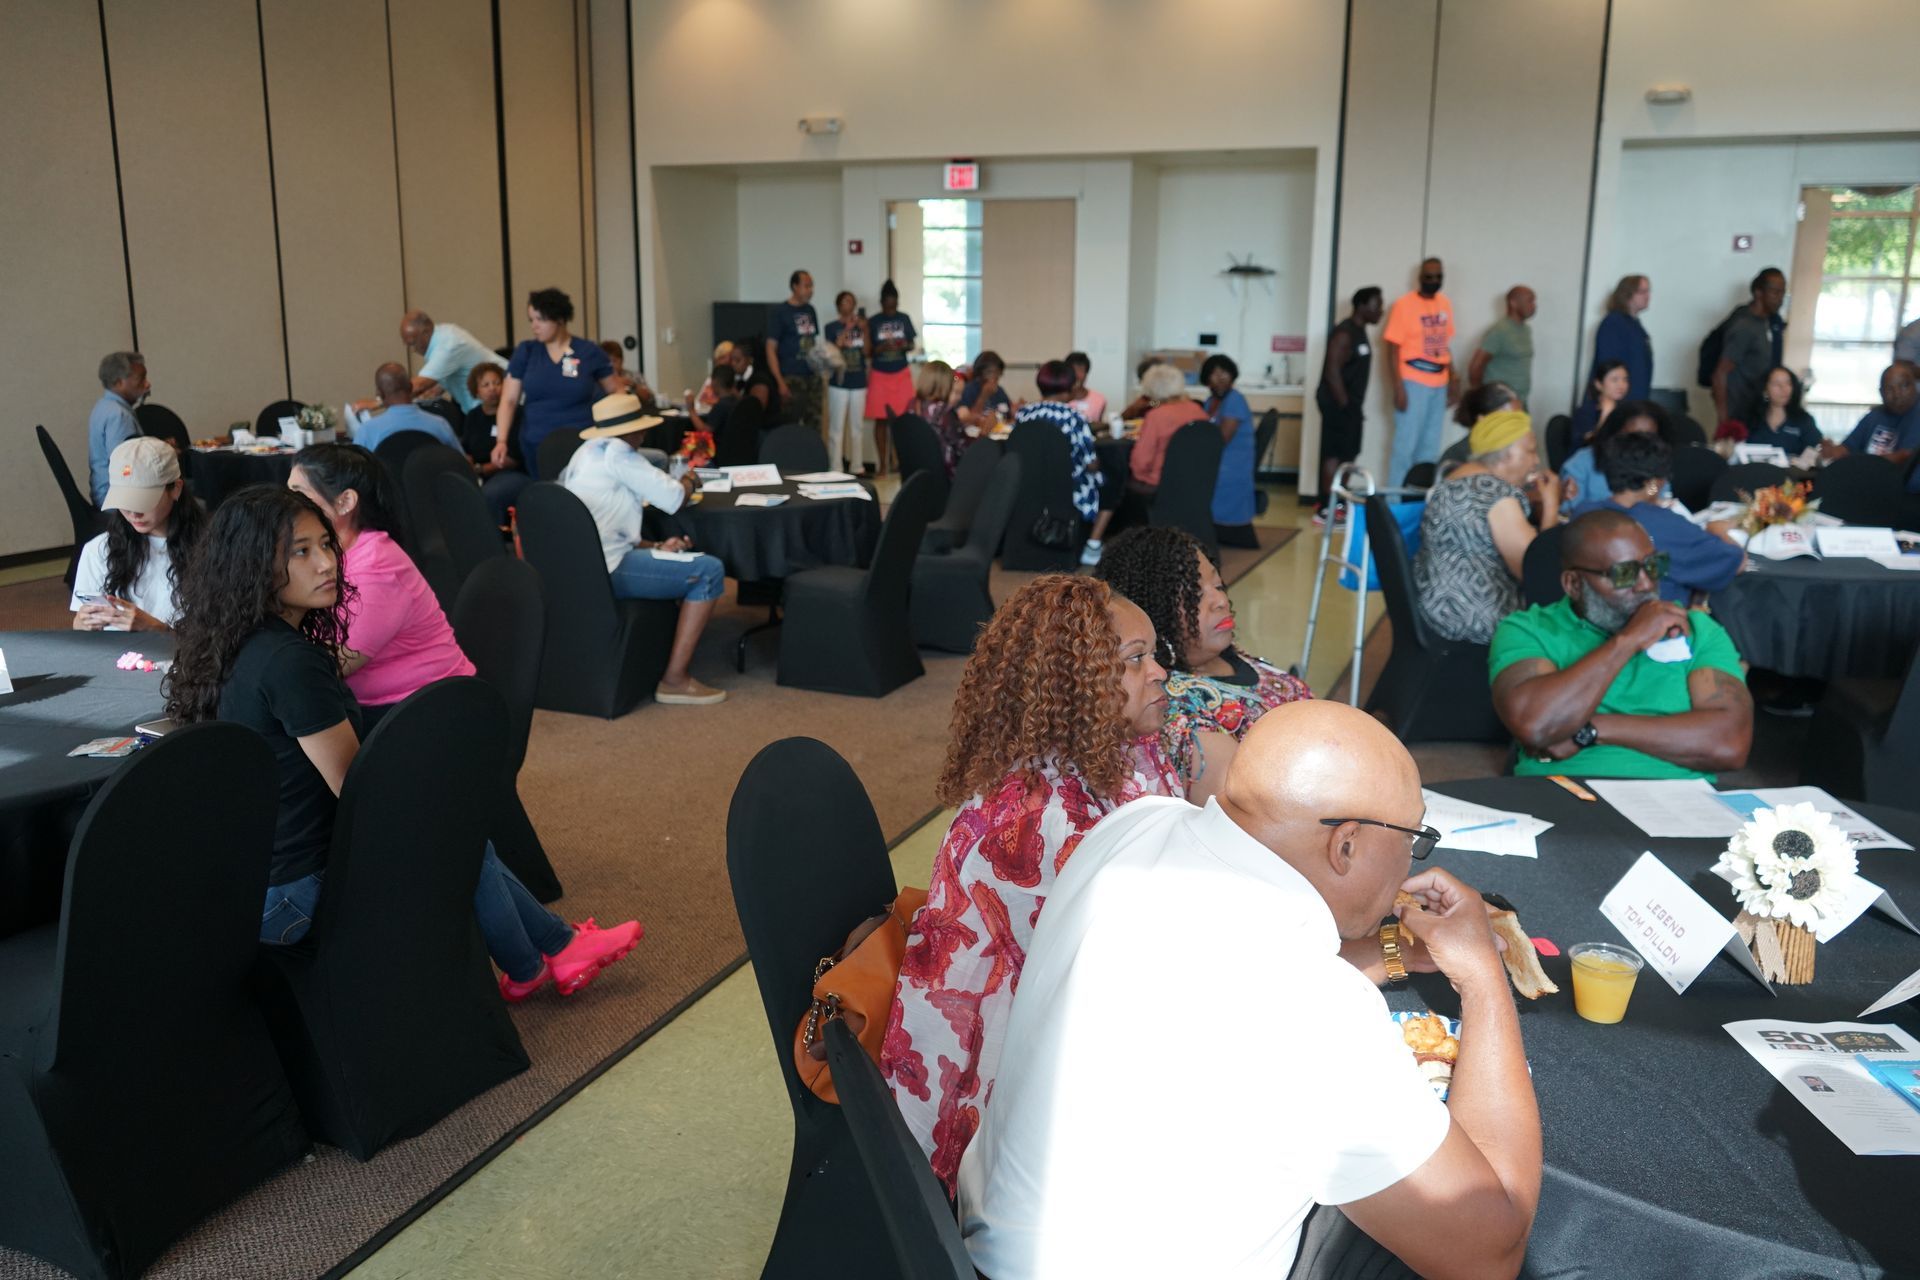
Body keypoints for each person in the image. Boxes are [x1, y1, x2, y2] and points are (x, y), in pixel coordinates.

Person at [958, 701, 1541, 1280]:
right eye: (1414, 838)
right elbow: (1487, 1254)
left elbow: (1232, 966)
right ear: (1346, 845)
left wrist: (1400, 952)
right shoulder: (1317, 1011)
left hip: (991, 1244)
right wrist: (1482, 976)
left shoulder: (1135, 824)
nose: (1411, 859)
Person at [163, 486, 643, 997]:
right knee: (448, 823)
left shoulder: (231, 641)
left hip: (257, 878)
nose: (327, 563)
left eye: (327, 544)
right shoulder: (289, 662)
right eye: (301, 551)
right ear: (253, 563)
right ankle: (539, 960)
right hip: (294, 897)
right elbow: (359, 792)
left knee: (442, 811)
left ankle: (545, 956)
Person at [882, 575, 1179, 1192]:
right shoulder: (1042, 819)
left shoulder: (1123, 755)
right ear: (1075, 686)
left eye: (1156, 654)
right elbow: (1133, 982)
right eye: (1134, 660)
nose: (1160, 674)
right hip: (992, 1095)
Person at [1491, 509, 1753, 780]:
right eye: (1624, 574)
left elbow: (1729, 744)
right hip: (1561, 792)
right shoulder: (1529, 630)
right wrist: (1628, 641)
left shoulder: (1697, 630)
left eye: (1654, 566)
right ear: (1573, 583)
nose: (1645, 584)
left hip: (1676, 802)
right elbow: (1537, 726)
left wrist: (1593, 731)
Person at [1094, 525, 1311, 802]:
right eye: (1195, 595)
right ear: (1154, 607)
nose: (1220, 600)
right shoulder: (1175, 709)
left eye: (1218, 585)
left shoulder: (1229, 655)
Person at [287, 445, 477, 725]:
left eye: (298, 493)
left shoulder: (378, 568)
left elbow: (334, 665)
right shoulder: (335, 552)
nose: (286, 504)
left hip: (425, 710)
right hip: (378, 704)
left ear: (345, 502)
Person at [559, 406, 727, 706]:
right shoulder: (622, 456)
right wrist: (691, 479)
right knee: (708, 571)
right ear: (634, 431)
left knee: (678, 557)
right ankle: (675, 679)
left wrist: (655, 546)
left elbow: (604, 527)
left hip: (582, 563)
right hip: (611, 568)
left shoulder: (587, 452)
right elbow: (675, 498)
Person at [1413, 410, 1561, 644]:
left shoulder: (1451, 480)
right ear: (1505, 455)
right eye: (1530, 450)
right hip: (1478, 617)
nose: (1536, 460)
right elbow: (1536, 574)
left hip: (1434, 606)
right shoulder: (1498, 499)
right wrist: (1552, 505)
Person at [1575, 433, 1745, 601]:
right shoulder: (1666, 525)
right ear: (1654, 484)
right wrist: (1717, 530)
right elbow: (1736, 563)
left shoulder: (1583, 513)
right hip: (1659, 617)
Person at [71, 436, 205, 632]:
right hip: (116, 658)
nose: (133, 512)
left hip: (181, 660)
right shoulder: (99, 550)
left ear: (175, 489)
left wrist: (155, 629)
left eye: (143, 501)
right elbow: (80, 629)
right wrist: (82, 624)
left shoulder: (210, 549)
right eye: (125, 500)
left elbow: (220, 640)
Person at [494, 287, 622, 479]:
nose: (534, 326)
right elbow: (509, 400)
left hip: (583, 444)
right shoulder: (526, 351)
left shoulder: (589, 352)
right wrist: (501, 440)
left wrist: (618, 430)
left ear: (560, 319)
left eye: (541, 320)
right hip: (536, 444)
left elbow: (616, 390)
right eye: (532, 320)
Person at [1012, 360, 1110, 565]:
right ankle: (1092, 545)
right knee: (1109, 479)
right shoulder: (1074, 418)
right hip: (1068, 489)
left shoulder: (1024, 414)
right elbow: (1090, 463)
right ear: (1071, 386)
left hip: (1028, 487)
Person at [1383, 257, 1458, 491]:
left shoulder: (1445, 304)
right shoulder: (1404, 305)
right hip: (1413, 381)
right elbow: (1392, 348)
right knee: (1405, 447)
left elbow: (1444, 345)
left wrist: (1454, 377)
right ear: (1419, 278)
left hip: (1439, 382)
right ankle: (1395, 501)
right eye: (1429, 277)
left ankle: (1417, 500)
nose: (1434, 281)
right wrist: (1398, 387)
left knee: (1429, 448)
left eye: (1438, 277)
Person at [1315, 287, 1382, 525]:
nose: (1380, 311)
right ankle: (1326, 508)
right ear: (1362, 306)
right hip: (1338, 404)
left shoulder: (1360, 332)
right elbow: (1332, 372)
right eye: (1376, 305)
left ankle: (1339, 503)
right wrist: (1345, 407)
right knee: (1334, 454)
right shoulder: (1345, 333)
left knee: (1347, 454)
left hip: (1350, 405)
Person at [1559, 399, 1674, 513]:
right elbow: (1569, 511)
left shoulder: (1657, 464)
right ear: (1613, 434)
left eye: (1649, 439)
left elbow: (1659, 500)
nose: (1640, 445)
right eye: (1632, 438)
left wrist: (1651, 490)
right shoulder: (1582, 462)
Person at [1823, 361, 1920, 487]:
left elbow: (1904, 456)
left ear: (1915, 386)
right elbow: (1846, 447)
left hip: (1902, 493)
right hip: (1866, 485)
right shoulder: (1875, 415)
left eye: (1904, 386)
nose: (1897, 394)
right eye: (1889, 388)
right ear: (1881, 393)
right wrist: (1831, 451)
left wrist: (1856, 462)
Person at [1712, 268, 1788, 426]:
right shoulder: (1745, 326)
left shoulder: (1769, 322)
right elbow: (1720, 374)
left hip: (1756, 410)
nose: (1780, 299)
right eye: (1775, 292)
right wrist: (1724, 422)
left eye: (1782, 293)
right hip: (1739, 414)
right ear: (1758, 292)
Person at [459, 362, 530, 525]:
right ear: (476, 391)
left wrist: (480, 469)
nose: (492, 389)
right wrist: (468, 464)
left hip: (512, 473)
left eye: (497, 383)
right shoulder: (473, 416)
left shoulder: (517, 413)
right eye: (486, 385)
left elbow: (514, 457)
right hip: (478, 474)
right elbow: (466, 448)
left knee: (490, 494)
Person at [1203, 353, 1259, 547]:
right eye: (1214, 373)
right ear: (1206, 378)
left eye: (1224, 373)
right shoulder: (1210, 401)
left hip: (1231, 463)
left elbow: (1221, 439)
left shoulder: (1235, 400)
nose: (1220, 378)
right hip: (1218, 458)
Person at [1125, 362, 1207, 493]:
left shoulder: (1156, 416)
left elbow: (1140, 462)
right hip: (1196, 479)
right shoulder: (1197, 410)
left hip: (1160, 482)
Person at [353, 362, 465, 454]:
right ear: (411, 387)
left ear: (380, 394)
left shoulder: (367, 431)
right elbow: (460, 464)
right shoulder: (440, 425)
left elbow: (356, 474)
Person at [865, 280, 918, 474]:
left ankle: (900, 461)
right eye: (888, 304)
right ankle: (882, 464)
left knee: (902, 419)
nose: (891, 307)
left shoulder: (904, 318)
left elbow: (912, 344)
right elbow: (868, 351)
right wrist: (881, 347)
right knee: (880, 420)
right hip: (880, 374)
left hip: (901, 374)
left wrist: (902, 345)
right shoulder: (873, 321)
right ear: (882, 302)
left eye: (894, 303)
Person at [401, 310, 500, 411]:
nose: (413, 350)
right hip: (486, 407)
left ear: (425, 333)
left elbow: (418, 386)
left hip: (502, 403)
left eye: (412, 343)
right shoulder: (442, 335)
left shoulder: (446, 346)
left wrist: (389, 395)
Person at [766, 269, 822, 432]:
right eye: (806, 286)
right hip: (791, 376)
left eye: (811, 286)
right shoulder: (780, 312)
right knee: (791, 424)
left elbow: (813, 342)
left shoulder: (810, 310)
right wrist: (780, 382)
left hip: (812, 376)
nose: (810, 290)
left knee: (814, 424)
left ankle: (813, 457)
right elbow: (770, 348)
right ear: (794, 287)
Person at [89, 351, 149, 504]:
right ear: (118, 382)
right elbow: (126, 469)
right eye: (141, 378)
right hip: (118, 500)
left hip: (103, 494)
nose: (148, 384)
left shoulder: (103, 406)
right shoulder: (119, 416)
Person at [823, 290, 868, 472]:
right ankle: (836, 468)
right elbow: (831, 350)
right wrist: (848, 328)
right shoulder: (831, 327)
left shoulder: (863, 326)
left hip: (859, 380)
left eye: (851, 301)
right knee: (836, 428)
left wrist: (864, 329)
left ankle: (857, 466)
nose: (848, 304)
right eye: (844, 301)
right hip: (838, 381)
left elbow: (867, 352)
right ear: (839, 305)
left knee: (857, 427)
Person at [1469, 285, 1537, 404]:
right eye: (1530, 301)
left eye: (1534, 301)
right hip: (1499, 404)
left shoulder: (1526, 330)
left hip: (1520, 401)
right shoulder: (1499, 331)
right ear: (1513, 303)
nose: (1534, 305)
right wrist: (1480, 398)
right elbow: (1476, 366)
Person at [1592, 275, 1654, 401]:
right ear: (1627, 294)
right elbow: (1609, 366)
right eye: (1642, 292)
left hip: (1635, 398)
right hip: (1620, 401)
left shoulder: (1635, 325)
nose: (1648, 296)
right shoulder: (1614, 323)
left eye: (1648, 291)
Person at [1741, 366, 1822, 455]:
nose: (1784, 389)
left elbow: (1815, 451)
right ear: (1765, 390)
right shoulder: (1750, 419)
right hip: (1755, 468)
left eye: (1788, 383)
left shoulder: (1804, 420)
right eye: (1776, 384)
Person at [913, 360, 965, 473]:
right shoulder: (945, 413)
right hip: (946, 475)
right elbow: (961, 450)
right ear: (946, 384)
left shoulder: (911, 406)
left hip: (916, 475)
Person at [1568, 360, 1629, 450]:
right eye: (1614, 380)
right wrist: (1605, 414)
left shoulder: (1626, 409)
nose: (1621, 385)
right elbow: (1591, 445)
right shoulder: (1585, 411)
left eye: (1625, 379)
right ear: (1599, 384)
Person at [953, 349, 1013, 432]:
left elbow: (1008, 415)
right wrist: (984, 396)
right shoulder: (969, 389)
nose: (995, 377)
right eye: (990, 372)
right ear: (980, 372)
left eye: (998, 373)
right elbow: (966, 419)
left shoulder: (999, 390)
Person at [1065, 351, 1106, 422]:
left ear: (1086, 373)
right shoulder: (1059, 398)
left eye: (1080, 370)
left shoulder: (1099, 399)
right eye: (1073, 370)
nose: (1076, 375)